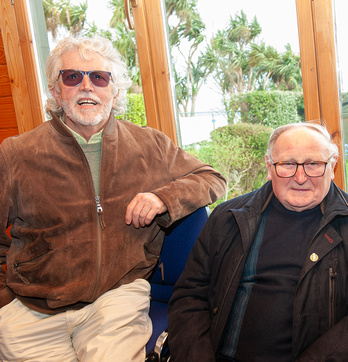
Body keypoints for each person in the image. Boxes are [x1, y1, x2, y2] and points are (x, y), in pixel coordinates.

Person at [0, 36, 226, 361]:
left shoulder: (150, 145)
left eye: (99, 77)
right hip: (33, 303)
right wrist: (5, 298)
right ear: (55, 90)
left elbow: (212, 179)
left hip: (117, 297)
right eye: (73, 77)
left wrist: (164, 198)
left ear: (115, 91)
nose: (87, 86)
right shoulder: (16, 154)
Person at [167, 122, 348, 361]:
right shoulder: (227, 218)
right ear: (269, 167)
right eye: (288, 164)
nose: (300, 177)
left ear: (332, 167)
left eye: (313, 164)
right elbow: (189, 298)